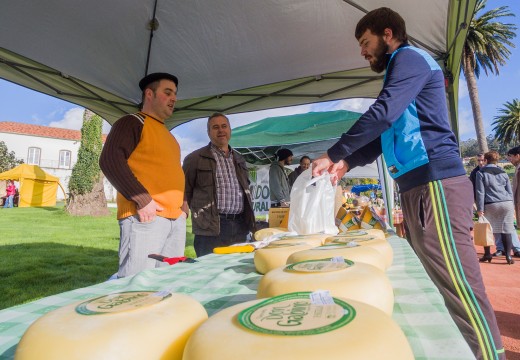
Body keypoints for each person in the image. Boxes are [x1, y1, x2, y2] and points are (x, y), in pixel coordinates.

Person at [311, 8, 504, 359]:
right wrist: (347, 161)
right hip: (418, 187)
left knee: (459, 286)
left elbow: (382, 113)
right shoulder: (402, 70)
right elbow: (387, 128)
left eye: (366, 42)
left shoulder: (409, 58)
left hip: (436, 185)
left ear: (388, 34)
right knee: (440, 285)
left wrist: (333, 151)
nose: (362, 52)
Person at [99, 72, 188, 278]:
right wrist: (142, 198)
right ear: (149, 94)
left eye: (175, 93)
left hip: (175, 220)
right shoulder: (132, 122)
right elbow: (110, 160)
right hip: (146, 217)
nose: (174, 98)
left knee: (168, 283)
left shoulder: (170, 137)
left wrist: (183, 203)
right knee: (135, 285)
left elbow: (172, 171)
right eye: (167, 92)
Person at [183, 113, 256, 257]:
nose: (221, 130)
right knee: (208, 272)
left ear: (230, 129)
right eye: (215, 127)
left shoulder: (240, 159)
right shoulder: (194, 159)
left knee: (237, 270)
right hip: (210, 228)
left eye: (224, 126)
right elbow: (184, 190)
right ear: (208, 132)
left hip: (240, 225)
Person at [475, 151, 515, 265]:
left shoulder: (481, 173)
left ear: (486, 160)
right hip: (506, 202)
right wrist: (511, 205)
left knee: (486, 228)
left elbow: (480, 192)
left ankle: (487, 254)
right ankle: (508, 256)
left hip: (491, 203)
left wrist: (480, 208)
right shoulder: (503, 173)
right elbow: (509, 191)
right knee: (506, 230)